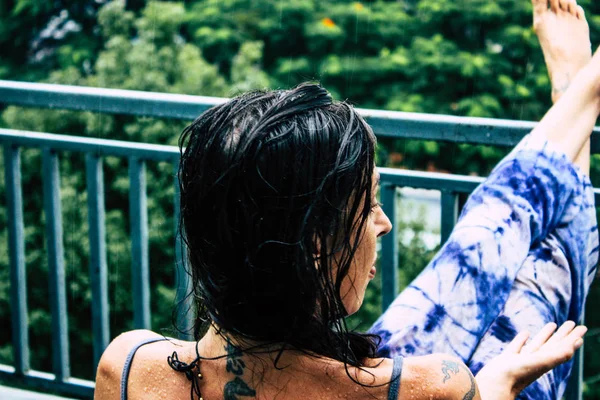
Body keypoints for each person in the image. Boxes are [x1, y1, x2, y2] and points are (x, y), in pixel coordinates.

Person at [94, 0, 597, 399]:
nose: (385, 224)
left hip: (349, 372)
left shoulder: (131, 368)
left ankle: (581, 95)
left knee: (480, 241)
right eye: (371, 204)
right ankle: (579, 93)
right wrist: (493, 386)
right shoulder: (433, 386)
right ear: (314, 244)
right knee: (538, 279)